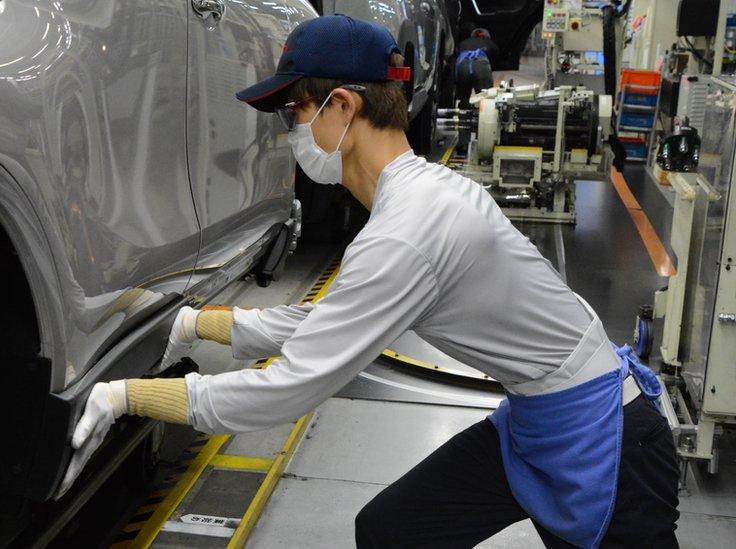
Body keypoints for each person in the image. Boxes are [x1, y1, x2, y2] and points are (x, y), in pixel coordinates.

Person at [60, 15, 680, 548]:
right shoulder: (417, 198)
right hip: (540, 420)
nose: (288, 130)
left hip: (607, 442)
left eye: (292, 110)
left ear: (344, 107)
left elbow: (288, 389)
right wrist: (196, 324)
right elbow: (330, 321)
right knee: (395, 530)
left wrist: (127, 397)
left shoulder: (405, 232)